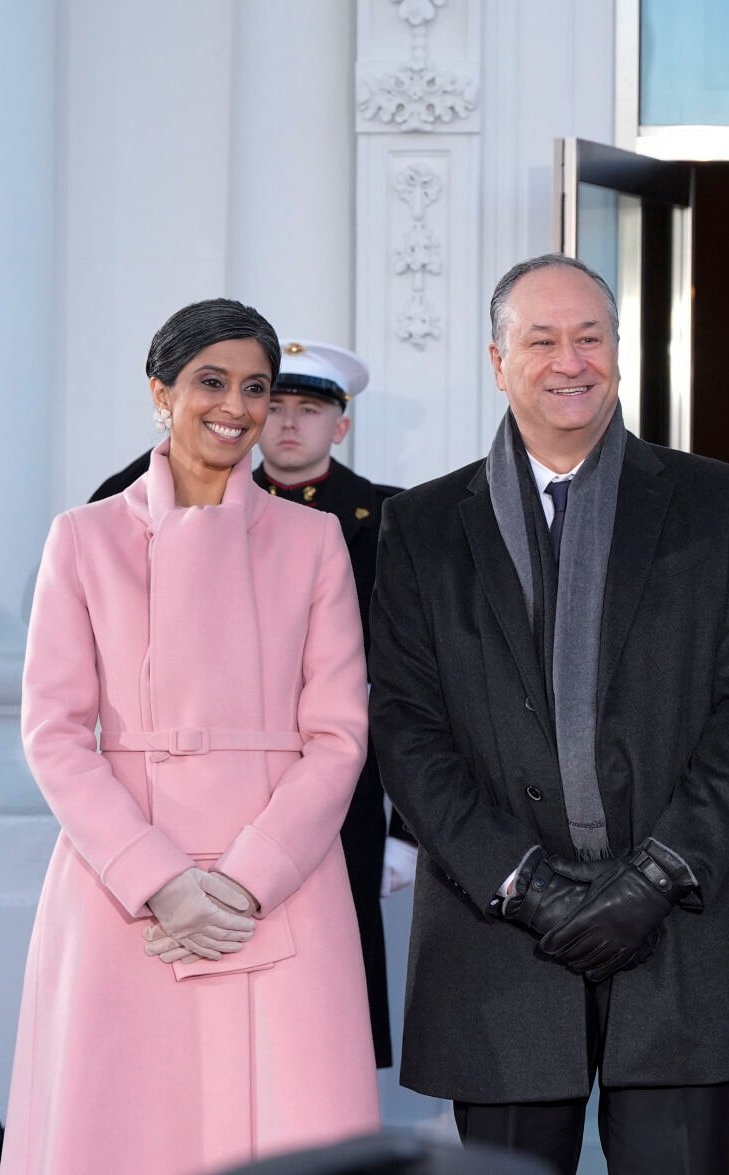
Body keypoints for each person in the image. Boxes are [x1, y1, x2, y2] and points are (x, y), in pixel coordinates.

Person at [369, 254, 729, 1174]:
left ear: (618, 352)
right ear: (496, 359)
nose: (570, 360)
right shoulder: (425, 527)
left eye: (590, 336)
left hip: (677, 928)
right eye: (542, 338)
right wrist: (523, 884)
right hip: (500, 936)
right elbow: (406, 728)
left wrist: (659, 874)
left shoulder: (716, 502)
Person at [5, 298, 379, 1173]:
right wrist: (160, 879)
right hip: (123, 884)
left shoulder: (315, 538)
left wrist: (247, 881)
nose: (238, 406)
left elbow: (338, 733)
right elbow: (55, 733)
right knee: (129, 1125)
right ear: (160, 392)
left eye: (256, 386)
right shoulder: (83, 538)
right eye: (212, 381)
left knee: (292, 1124)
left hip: (282, 884)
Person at [256, 338, 413, 1069]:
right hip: (229, 787)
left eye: (309, 408)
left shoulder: (392, 519)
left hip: (349, 791)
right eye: (274, 404)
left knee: (328, 1005)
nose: (288, 424)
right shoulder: (198, 505)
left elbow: (418, 686)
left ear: (340, 426)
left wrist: (407, 827)